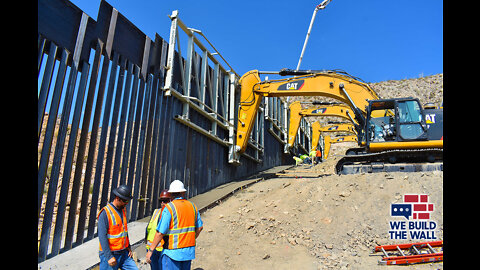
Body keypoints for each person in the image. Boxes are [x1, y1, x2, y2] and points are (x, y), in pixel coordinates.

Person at [146, 180, 203, 270]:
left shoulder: (169, 208)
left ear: (171, 194)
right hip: (188, 253)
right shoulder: (193, 206)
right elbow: (200, 227)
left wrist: (151, 250)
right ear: (183, 192)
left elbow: (160, 233)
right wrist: (190, 238)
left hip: (171, 253)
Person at [97, 184, 138, 270]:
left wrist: (128, 247)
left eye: (128, 201)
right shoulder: (105, 213)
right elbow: (102, 236)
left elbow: (124, 232)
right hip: (110, 254)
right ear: (117, 198)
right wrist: (109, 256)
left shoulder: (123, 210)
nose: (126, 204)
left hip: (124, 253)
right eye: (125, 201)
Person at [145, 189, 172, 270]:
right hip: (151, 248)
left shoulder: (171, 213)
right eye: (161, 200)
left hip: (162, 249)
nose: (163, 203)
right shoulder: (156, 212)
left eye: (165, 200)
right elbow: (149, 229)